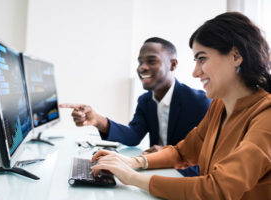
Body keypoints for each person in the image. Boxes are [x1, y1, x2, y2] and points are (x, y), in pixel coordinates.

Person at [89, 12, 271, 200]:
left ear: (236, 56)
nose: (195, 72)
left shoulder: (266, 115)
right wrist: (132, 161)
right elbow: (182, 153)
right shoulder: (219, 106)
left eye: (202, 59)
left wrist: (131, 178)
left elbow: (217, 189)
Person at [60, 37, 211, 177]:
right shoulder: (145, 100)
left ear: (173, 64)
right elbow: (133, 135)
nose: (142, 67)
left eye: (152, 61)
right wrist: (98, 120)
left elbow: (207, 162)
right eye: (140, 62)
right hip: (152, 171)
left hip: (181, 177)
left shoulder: (199, 102)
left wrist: (165, 157)